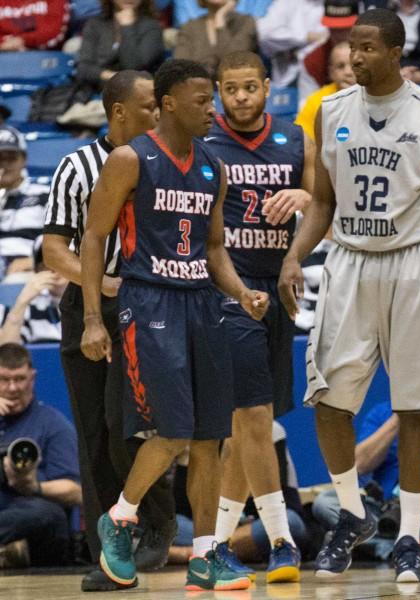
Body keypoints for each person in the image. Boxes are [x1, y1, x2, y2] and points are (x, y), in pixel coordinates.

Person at [276, 8, 420, 583]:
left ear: (397, 51)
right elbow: (323, 202)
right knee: (327, 397)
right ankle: (352, 512)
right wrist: (293, 256)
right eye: (351, 46)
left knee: (413, 406)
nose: (355, 56)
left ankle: (407, 535)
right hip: (349, 261)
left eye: (367, 47)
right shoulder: (330, 111)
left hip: (416, 262)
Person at [79, 58, 270, 592]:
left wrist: (241, 291)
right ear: (167, 103)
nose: (213, 110)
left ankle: (207, 556)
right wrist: (94, 318)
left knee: (211, 436)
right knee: (174, 430)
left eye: (212, 100)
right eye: (202, 100)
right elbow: (93, 238)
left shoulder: (214, 166)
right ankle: (119, 518)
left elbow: (213, 249)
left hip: (203, 304)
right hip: (150, 303)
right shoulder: (129, 159)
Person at [42, 70, 178, 592]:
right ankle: (108, 560)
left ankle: (160, 518)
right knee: (97, 435)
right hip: (91, 304)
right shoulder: (77, 167)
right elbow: (55, 249)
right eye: (149, 105)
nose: (159, 113)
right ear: (119, 111)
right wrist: (104, 283)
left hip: (156, 304)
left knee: (145, 426)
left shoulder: (167, 159)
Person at [203, 50, 314, 584]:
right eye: (231, 88)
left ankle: (217, 545)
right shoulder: (205, 142)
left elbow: (327, 209)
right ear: (220, 90)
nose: (241, 97)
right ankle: (283, 543)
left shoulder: (296, 139)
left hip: (280, 290)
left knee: (247, 431)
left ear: (268, 87)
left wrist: (305, 194)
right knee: (252, 418)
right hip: (229, 288)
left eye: (250, 87)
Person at [311, 400, 420, 561]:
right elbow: (359, 465)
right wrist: (398, 419)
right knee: (325, 502)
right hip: (378, 508)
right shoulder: (381, 413)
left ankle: (368, 545)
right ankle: (413, 545)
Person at [169, 422, 313, 566]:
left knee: (291, 522)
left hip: (256, 522)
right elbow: (184, 507)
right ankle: (216, 549)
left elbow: (287, 502)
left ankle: (200, 552)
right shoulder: (195, 438)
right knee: (173, 524)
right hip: (211, 527)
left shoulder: (269, 430)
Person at [0, 343, 81, 568]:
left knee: (48, 515)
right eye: (4, 380)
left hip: (27, 513)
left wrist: (33, 486)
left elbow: (76, 492)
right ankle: (8, 554)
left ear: (32, 378)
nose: (13, 387)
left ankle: (11, 553)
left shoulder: (53, 425)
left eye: (20, 379)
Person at [76, 0, 165, 97]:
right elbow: (83, 68)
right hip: (98, 95)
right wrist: (114, 77)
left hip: (137, 97)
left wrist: (127, 27)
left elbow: (134, 67)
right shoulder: (95, 24)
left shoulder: (151, 27)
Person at [0, 125, 50, 276]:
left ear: (24, 159)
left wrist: (33, 260)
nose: (5, 164)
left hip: (27, 272)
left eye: (11, 157)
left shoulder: (44, 196)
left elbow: (66, 241)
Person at [174, 0, 258, 76]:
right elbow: (181, 68)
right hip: (196, 89)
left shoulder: (245, 22)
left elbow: (234, 63)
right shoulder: (190, 27)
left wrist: (220, 20)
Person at [295, 40, 355, 142]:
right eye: (340, 66)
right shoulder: (316, 101)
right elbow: (301, 140)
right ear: (331, 73)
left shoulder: (374, 96)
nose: (348, 72)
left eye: (354, 65)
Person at [0, 0, 69, 51]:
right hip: (4, 52)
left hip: (47, 54)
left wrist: (23, 40)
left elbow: (54, 30)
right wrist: (3, 43)